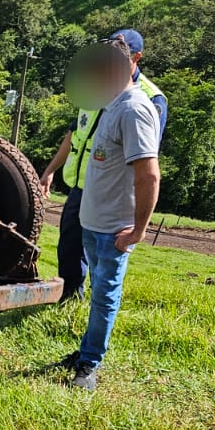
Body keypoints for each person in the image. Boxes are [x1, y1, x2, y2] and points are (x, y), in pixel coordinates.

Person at [62, 38, 162, 391]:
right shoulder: (109, 104)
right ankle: (86, 350)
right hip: (93, 222)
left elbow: (149, 175)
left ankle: (89, 365)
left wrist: (137, 230)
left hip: (113, 230)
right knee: (97, 293)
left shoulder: (134, 110)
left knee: (105, 296)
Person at [40, 29, 166, 301]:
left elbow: (146, 161)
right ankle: (69, 300)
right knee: (69, 247)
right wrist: (50, 170)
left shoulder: (149, 99)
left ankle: (97, 312)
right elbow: (75, 132)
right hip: (80, 186)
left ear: (136, 57)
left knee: (105, 259)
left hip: (112, 193)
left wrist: (137, 223)